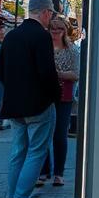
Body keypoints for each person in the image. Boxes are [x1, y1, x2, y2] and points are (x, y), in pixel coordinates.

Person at [0, 0, 61, 198]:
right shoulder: (41, 37)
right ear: (44, 12)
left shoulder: (11, 36)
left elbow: (1, 71)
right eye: (51, 13)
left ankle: (10, 197)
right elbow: (47, 73)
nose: (51, 17)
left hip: (14, 105)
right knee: (36, 151)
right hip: (39, 105)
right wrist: (55, 94)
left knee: (18, 151)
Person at [38, 14, 80, 188]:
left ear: (65, 30)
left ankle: (59, 173)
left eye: (59, 28)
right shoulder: (42, 47)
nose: (55, 31)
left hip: (64, 96)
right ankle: (43, 171)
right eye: (52, 28)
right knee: (42, 134)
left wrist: (58, 74)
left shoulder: (72, 50)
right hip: (44, 95)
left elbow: (76, 75)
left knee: (60, 135)